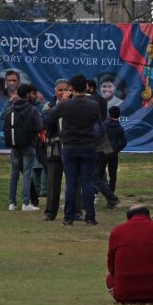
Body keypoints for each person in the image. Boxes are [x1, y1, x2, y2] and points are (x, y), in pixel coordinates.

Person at [46, 74, 102, 226]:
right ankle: (90, 217)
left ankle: (68, 217)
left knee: (71, 183)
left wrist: (63, 101)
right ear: (86, 87)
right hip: (88, 145)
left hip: (70, 146)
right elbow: (99, 125)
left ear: (71, 88)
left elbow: (49, 119)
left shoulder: (65, 105)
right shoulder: (93, 105)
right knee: (87, 182)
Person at [4, 83, 44, 212]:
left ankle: (12, 203)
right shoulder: (32, 109)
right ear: (27, 94)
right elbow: (39, 127)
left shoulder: (11, 108)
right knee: (27, 173)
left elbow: (3, 118)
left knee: (14, 174)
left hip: (14, 144)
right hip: (28, 144)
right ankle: (26, 203)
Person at [42, 79, 70, 221]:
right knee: (53, 181)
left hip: (71, 147)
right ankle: (50, 212)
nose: (63, 92)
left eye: (66, 89)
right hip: (54, 148)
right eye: (60, 90)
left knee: (74, 180)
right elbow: (46, 122)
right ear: (55, 91)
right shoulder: (49, 105)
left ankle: (74, 211)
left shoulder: (74, 104)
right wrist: (60, 105)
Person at [103, 106, 128, 194]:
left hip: (103, 151)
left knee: (99, 173)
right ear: (119, 115)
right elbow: (124, 143)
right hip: (113, 152)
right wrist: (117, 149)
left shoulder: (104, 125)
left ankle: (100, 189)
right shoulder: (119, 127)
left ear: (109, 114)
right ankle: (111, 193)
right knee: (113, 175)